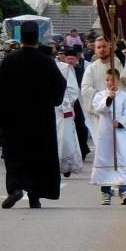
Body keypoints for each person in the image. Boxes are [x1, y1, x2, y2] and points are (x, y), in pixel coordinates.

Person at [0, 20, 67, 209]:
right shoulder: (46, 61)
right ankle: (35, 195)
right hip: (40, 120)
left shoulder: (9, 61)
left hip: (13, 120)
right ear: (37, 39)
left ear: (20, 38)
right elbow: (61, 84)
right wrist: (52, 100)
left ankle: (15, 188)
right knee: (38, 157)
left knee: (15, 156)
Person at [81, 35, 126, 183]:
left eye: (105, 46)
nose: (102, 49)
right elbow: (85, 90)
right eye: (99, 47)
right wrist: (104, 99)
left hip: (121, 116)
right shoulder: (91, 68)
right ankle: (108, 178)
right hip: (102, 117)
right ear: (95, 50)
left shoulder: (120, 62)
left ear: (110, 47)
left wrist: (122, 61)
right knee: (106, 151)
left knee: (124, 148)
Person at [90, 68, 126, 205]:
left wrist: (120, 123)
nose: (110, 82)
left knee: (122, 159)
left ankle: (124, 190)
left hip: (120, 134)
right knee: (106, 160)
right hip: (105, 134)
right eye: (107, 80)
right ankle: (106, 192)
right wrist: (109, 98)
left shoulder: (125, 96)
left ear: (118, 80)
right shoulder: (100, 95)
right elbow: (99, 109)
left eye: (112, 79)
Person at [55, 50, 83, 178]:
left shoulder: (65, 68)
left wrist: (63, 102)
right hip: (45, 110)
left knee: (64, 136)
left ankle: (66, 165)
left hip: (62, 109)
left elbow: (72, 89)